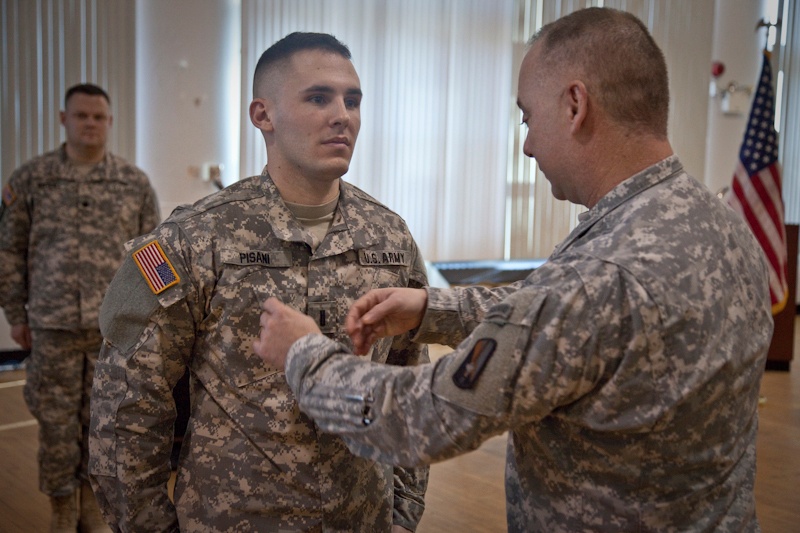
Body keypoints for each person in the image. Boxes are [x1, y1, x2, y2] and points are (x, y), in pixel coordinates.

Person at [253, 8, 773, 533]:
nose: (526, 145)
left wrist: (305, 354)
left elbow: (422, 417)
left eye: (528, 118)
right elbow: (570, 322)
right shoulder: (720, 227)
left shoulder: (601, 273)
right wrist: (434, 307)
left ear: (575, 105)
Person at [88, 32, 429, 532]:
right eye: (318, 97)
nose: (344, 115)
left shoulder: (391, 237)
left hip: (363, 519)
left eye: (352, 100)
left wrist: (402, 513)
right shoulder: (195, 238)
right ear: (262, 115)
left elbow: (410, 384)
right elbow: (127, 405)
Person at [0, 83, 161, 532]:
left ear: (109, 122)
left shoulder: (133, 182)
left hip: (114, 330)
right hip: (50, 327)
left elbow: (152, 257)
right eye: (81, 115)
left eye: (98, 117)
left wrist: (148, 319)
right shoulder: (31, 179)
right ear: (63, 119)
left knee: (104, 427)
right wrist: (16, 314)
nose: (90, 123)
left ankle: (92, 513)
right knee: (55, 427)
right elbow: (8, 251)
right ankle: (60, 514)